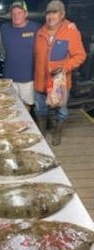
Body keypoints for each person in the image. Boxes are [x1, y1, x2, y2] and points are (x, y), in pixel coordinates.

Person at [34, 0, 86, 146]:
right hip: (40, 80)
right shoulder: (40, 32)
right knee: (40, 108)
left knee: (61, 110)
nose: (51, 16)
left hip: (59, 83)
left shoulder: (71, 32)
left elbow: (80, 55)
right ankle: (42, 131)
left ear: (62, 15)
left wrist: (64, 67)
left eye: (54, 13)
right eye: (48, 13)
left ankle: (57, 132)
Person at [0, 1, 39, 111]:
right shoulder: (4, 28)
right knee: (9, 106)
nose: (16, 16)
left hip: (28, 78)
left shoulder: (35, 28)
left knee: (27, 106)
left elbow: (52, 29)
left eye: (19, 13)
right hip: (9, 78)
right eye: (13, 13)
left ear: (25, 14)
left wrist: (69, 25)